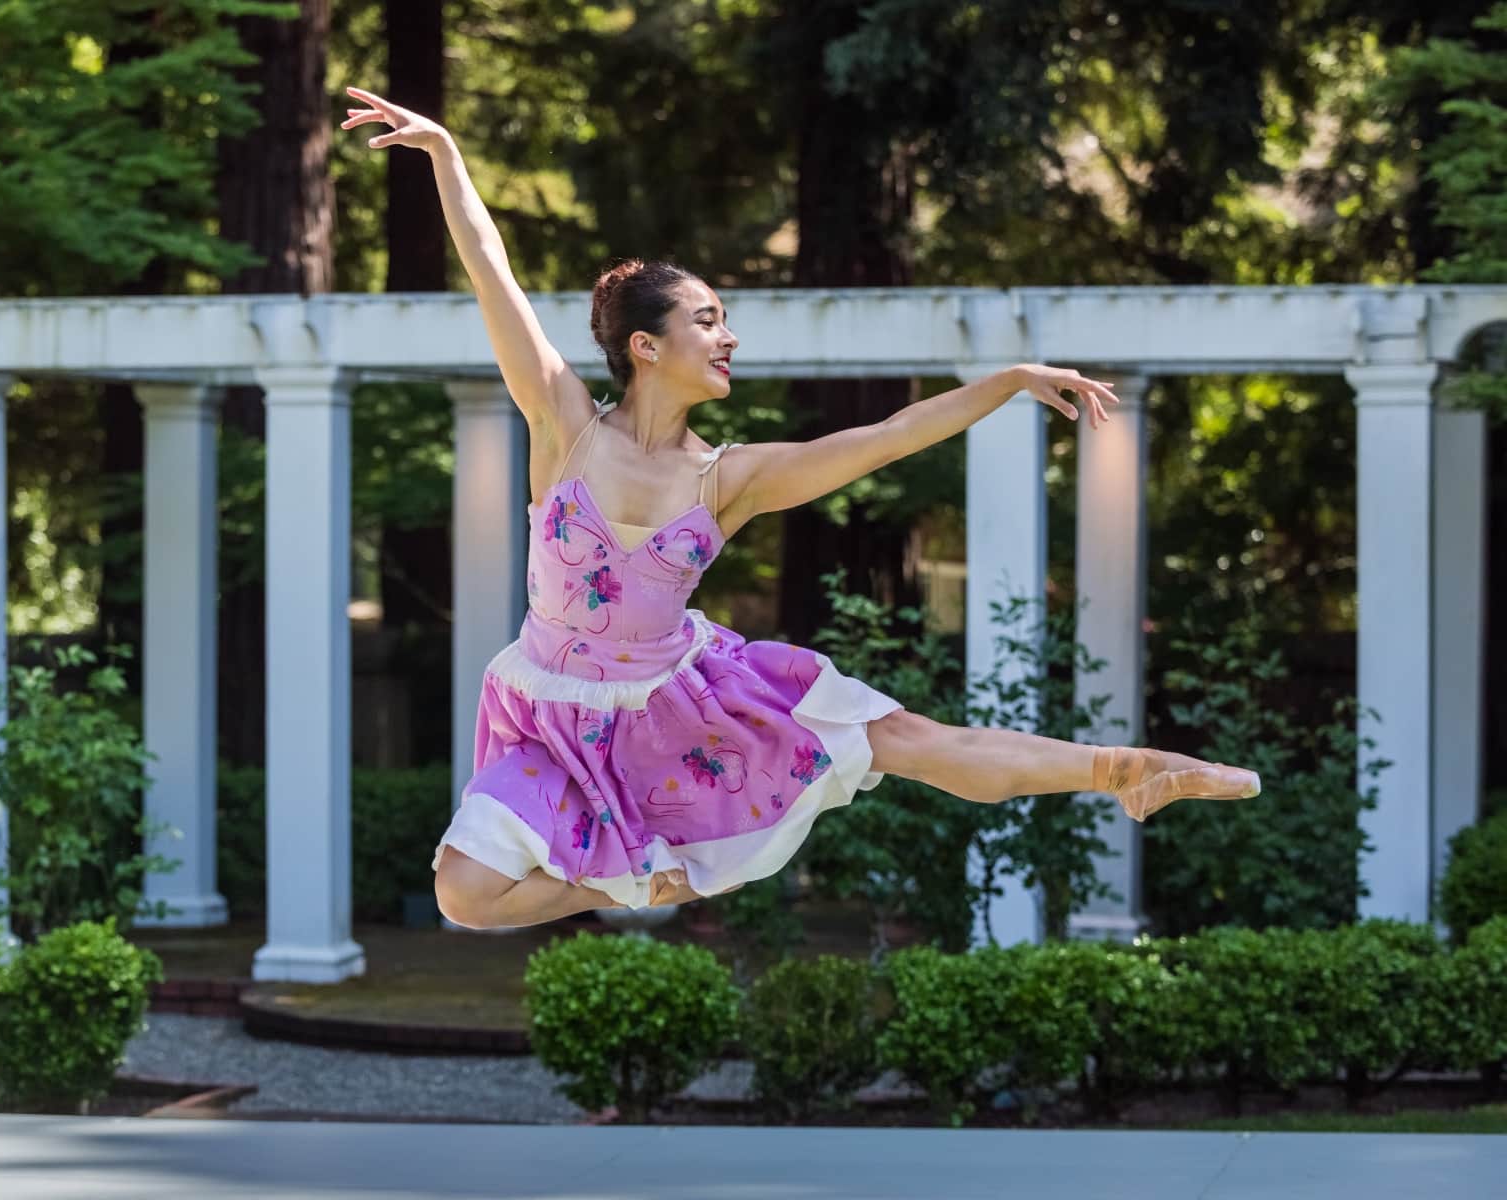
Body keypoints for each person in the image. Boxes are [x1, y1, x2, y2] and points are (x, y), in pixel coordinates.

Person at [341, 86, 1262, 930]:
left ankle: (1123, 770)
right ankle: (641, 878)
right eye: (707, 320)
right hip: (549, 707)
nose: (729, 335)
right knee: (463, 894)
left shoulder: (729, 480)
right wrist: (447, 157)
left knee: (906, 740)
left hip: (682, 706)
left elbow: (890, 435)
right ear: (644, 346)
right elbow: (493, 277)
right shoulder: (564, 428)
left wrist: (1010, 380)